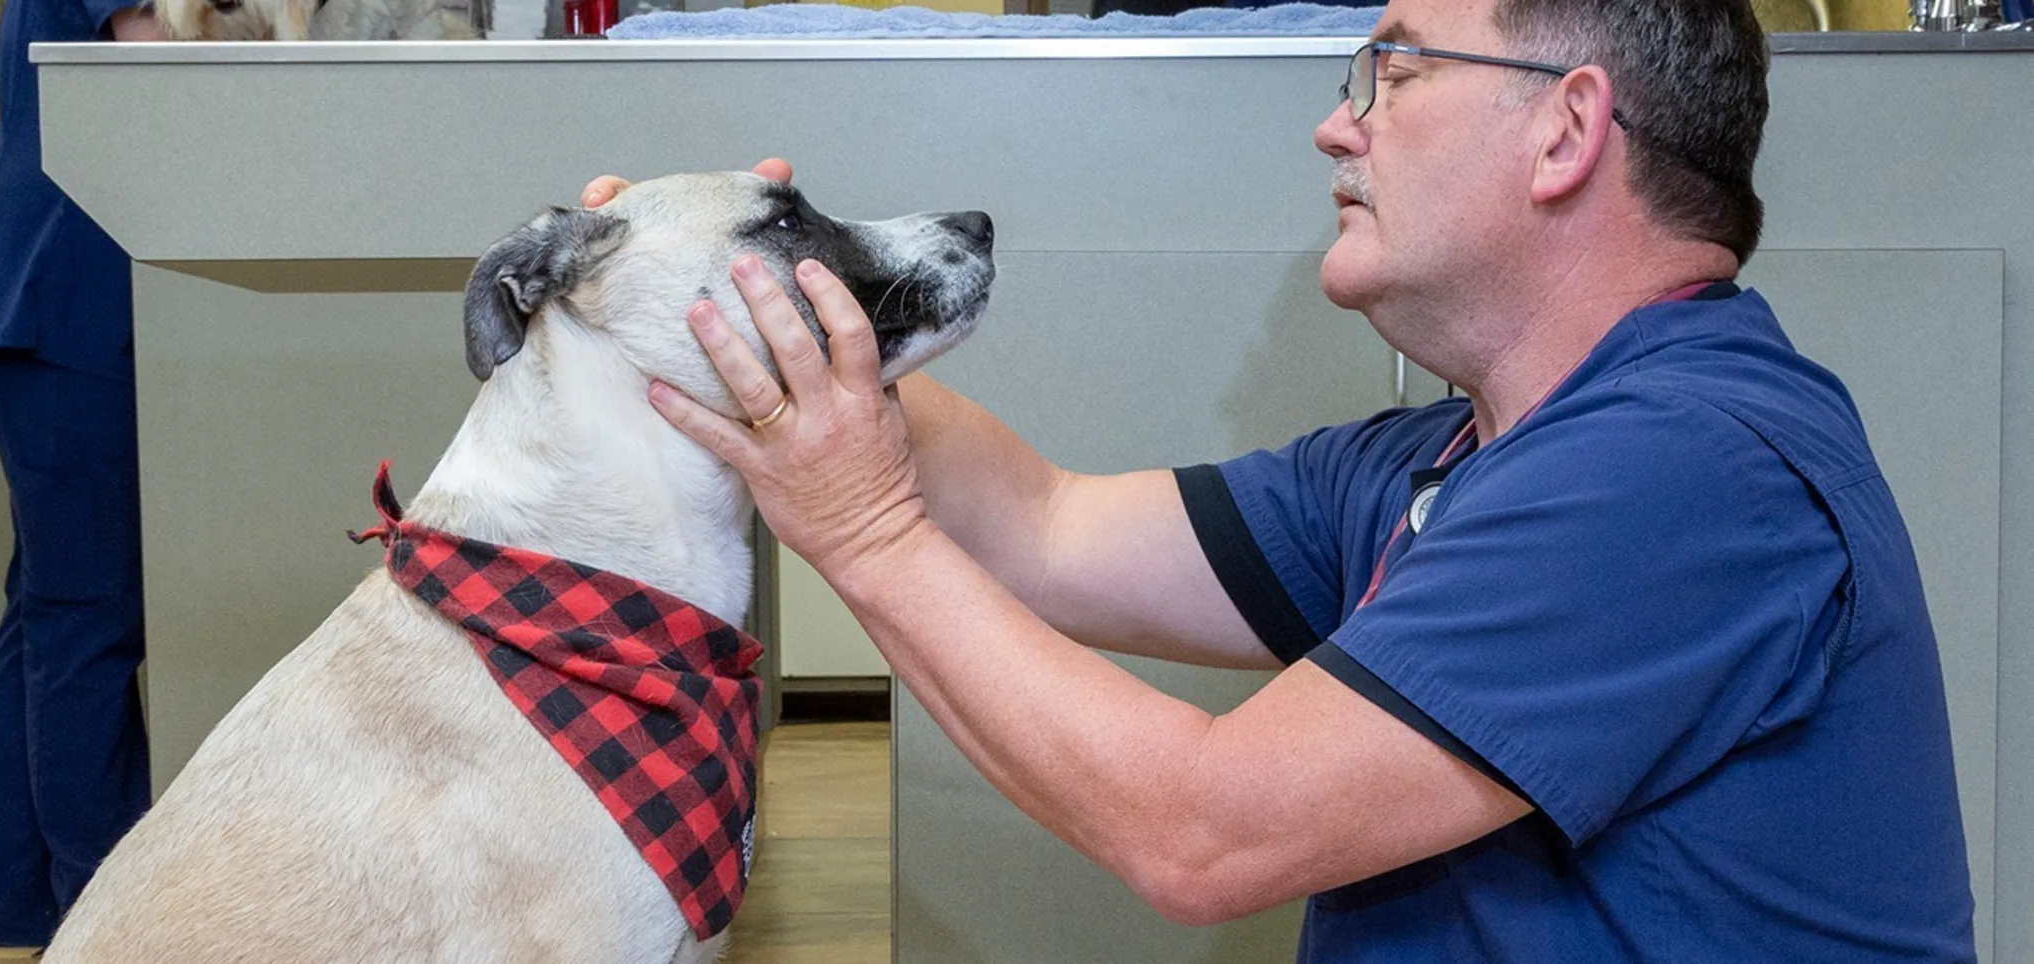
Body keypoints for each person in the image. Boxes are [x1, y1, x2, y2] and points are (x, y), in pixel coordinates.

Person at [586, 0, 1977, 957]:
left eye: (1394, 70)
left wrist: (867, 535)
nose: (1338, 123)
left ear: (1565, 131)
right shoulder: (1453, 456)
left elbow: (1202, 836)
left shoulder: (1682, 471)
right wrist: (756, 305)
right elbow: (1048, 530)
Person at [0, 0, 164, 949]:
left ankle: (22, 904)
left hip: (21, 295)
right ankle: (101, 917)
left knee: (46, 613)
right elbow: (160, 75)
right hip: (62, 301)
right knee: (87, 624)